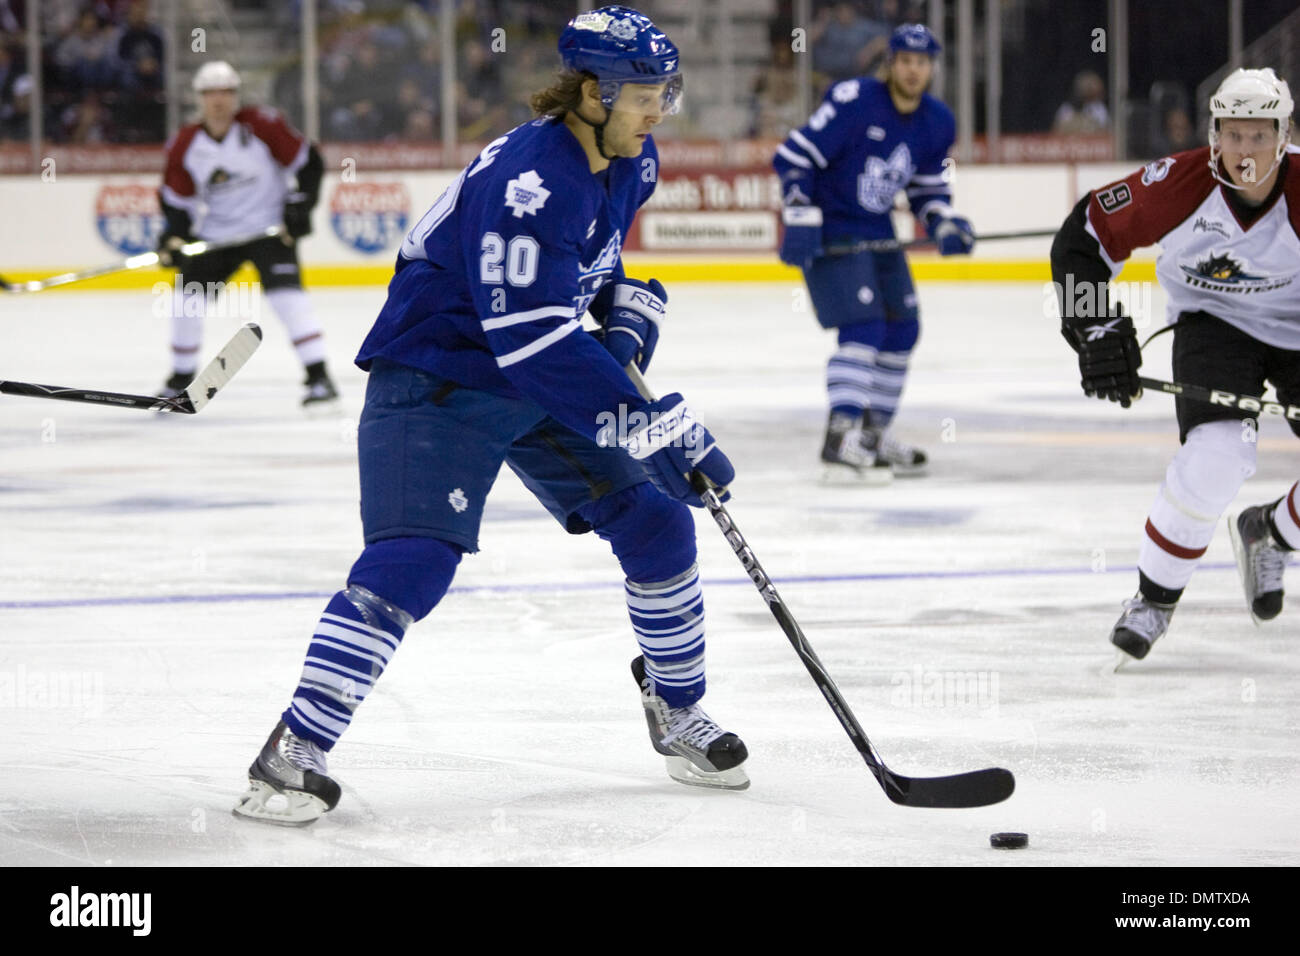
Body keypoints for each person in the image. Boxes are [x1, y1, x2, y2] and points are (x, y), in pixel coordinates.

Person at [232, 6, 747, 826]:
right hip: (440, 373)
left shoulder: (629, 159)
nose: (660, 112)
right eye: (646, 96)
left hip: (534, 372)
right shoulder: (529, 182)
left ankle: (677, 709)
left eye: (665, 94)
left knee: (657, 526)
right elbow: (533, 338)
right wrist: (652, 428)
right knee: (414, 561)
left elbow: (585, 274)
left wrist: (623, 310)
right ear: (591, 92)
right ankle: (293, 749)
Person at [1050, 67, 1298, 660]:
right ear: (1215, 134)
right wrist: (1096, 329)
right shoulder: (1181, 183)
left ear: (1283, 134)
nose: (1244, 151)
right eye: (1232, 135)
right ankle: (1154, 598)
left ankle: (1272, 533)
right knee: (1218, 456)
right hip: (1216, 325)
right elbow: (1081, 239)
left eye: (1258, 136)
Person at [773, 23, 975, 483]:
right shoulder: (854, 100)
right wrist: (800, 212)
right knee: (863, 327)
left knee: (903, 329)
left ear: (932, 68)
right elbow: (795, 156)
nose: (913, 70)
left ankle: (871, 437)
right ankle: (839, 438)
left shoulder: (939, 121)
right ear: (891, 64)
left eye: (922, 62)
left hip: (879, 231)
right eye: (905, 60)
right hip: (833, 227)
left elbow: (927, 189)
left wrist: (943, 221)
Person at [156, 60, 338, 407]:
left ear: (236, 96)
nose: (219, 100)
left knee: (288, 298)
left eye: (226, 91)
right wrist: (174, 238)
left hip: (268, 231)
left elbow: (309, 162)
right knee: (185, 301)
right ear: (199, 98)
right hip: (217, 236)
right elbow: (176, 200)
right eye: (211, 93)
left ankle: (319, 376)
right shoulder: (186, 144)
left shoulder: (262, 126)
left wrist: (300, 206)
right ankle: (179, 379)